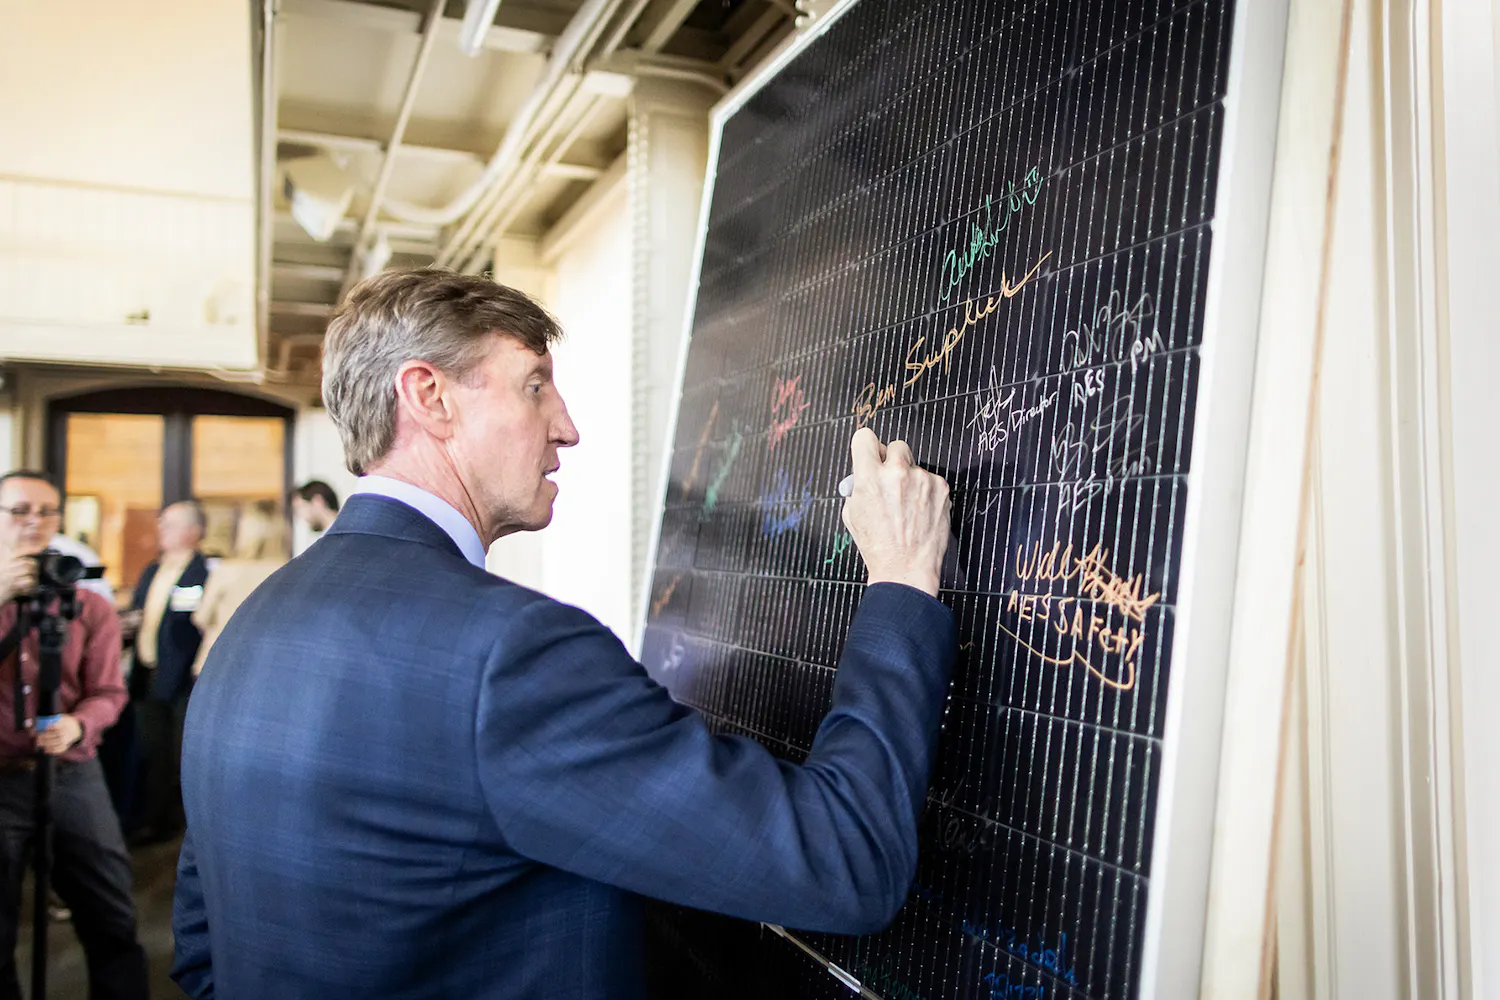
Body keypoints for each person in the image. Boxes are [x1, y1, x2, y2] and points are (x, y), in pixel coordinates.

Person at [172, 269, 955, 999]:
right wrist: (901, 579)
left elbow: (204, 951)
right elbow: (845, 862)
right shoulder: (511, 655)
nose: (568, 427)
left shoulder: (251, 629)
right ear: (429, 396)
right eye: (535, 385)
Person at [0, 471, 148, 999]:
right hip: (2, 778)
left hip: (71, 773)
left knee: (111, 914)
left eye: (46, 512)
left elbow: (109, 690)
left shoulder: (89, 605)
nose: (34, 522)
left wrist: (79, 723)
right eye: (18, 511)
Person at [125, 501, 207, 845]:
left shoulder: (203, 572)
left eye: (170, 525)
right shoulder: (152, 569)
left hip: (182, 679)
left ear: (193, 532)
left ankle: (170, 825)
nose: (161, 530)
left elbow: (195, 625)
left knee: (174, 757)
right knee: (148, 750)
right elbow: (140, 610)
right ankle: (149, 818)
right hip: (146, 674)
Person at [190, 500, 288, 676]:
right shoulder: (290, 571)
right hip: (269, 667)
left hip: (221, 662)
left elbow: (201, 617)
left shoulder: (227, 570)